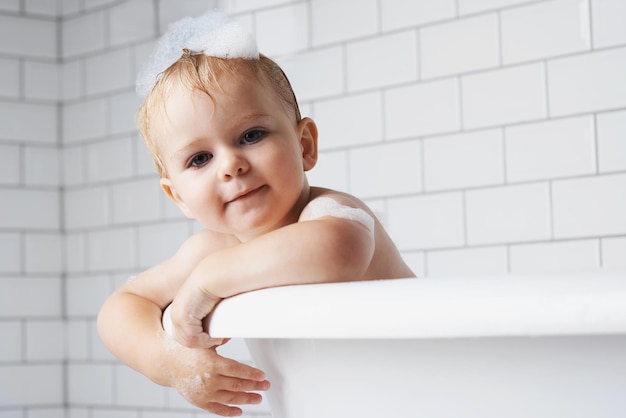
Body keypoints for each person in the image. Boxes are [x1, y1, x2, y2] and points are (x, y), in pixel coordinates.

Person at [97, 11, 415, 417]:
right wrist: (169, 362)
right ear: (177, 196)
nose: (230, 164)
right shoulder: (212, 250)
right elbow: (121, 307)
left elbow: (339, 249)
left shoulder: (330, 213)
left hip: (420, 392)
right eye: (199, 158)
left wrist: (208, 282)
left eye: (251, 135)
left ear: (305, 146)